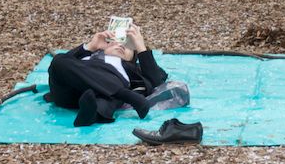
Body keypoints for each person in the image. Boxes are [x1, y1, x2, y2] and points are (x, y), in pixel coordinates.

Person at [45, 24, 186, 127]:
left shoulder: (133, 69)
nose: (121, 46)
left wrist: (141, 46)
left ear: (133, 58)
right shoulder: (86, 57)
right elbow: (59, 68)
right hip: (69, 91)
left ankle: (91, 116)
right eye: (116, 42)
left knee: (103, 99)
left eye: (128, 47)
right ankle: (125, 95)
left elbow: (156, 80)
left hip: (98, 95)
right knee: (59, 60)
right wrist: (90, 47)